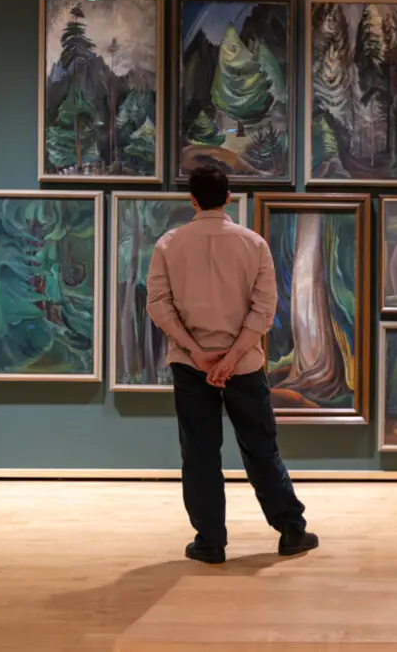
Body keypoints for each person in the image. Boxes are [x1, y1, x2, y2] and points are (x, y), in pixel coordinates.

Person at [146, 166, 317, 565]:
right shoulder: (253, 244)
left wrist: (197, 352)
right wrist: (234, 355)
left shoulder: (168, 245)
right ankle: (291, 530)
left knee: (200, 452)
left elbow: (159, 306)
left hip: (191, 366)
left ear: (192, 200)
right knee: (260, 446)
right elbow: (263, 310)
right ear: (227, 198)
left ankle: (210, 541)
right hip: (245, 364)